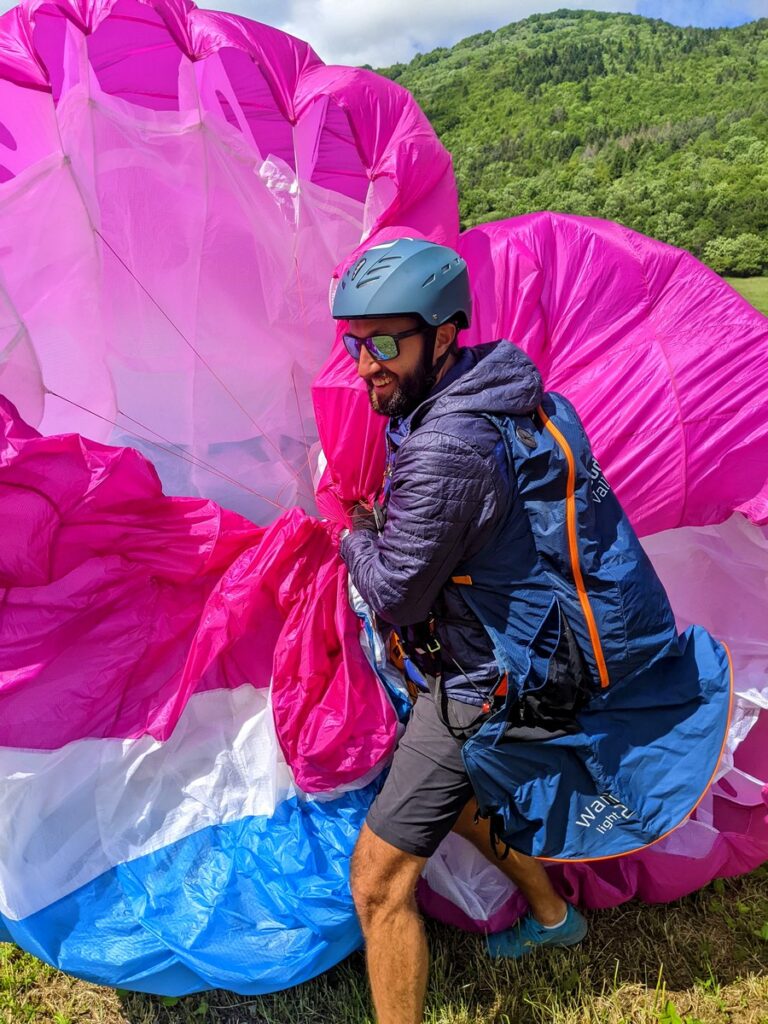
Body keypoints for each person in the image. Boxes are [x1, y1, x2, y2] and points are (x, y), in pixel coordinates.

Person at [333, 237, 591, 1024]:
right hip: (518, 653)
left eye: (386, 343)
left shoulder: (447, 444)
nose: (366, 363)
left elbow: (394, 595)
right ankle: (557, 920)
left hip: (485, 681)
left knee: (377, 883)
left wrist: (352, 534)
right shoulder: (488, 392)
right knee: (465, 802)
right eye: (354, 342)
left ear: (443, 336)